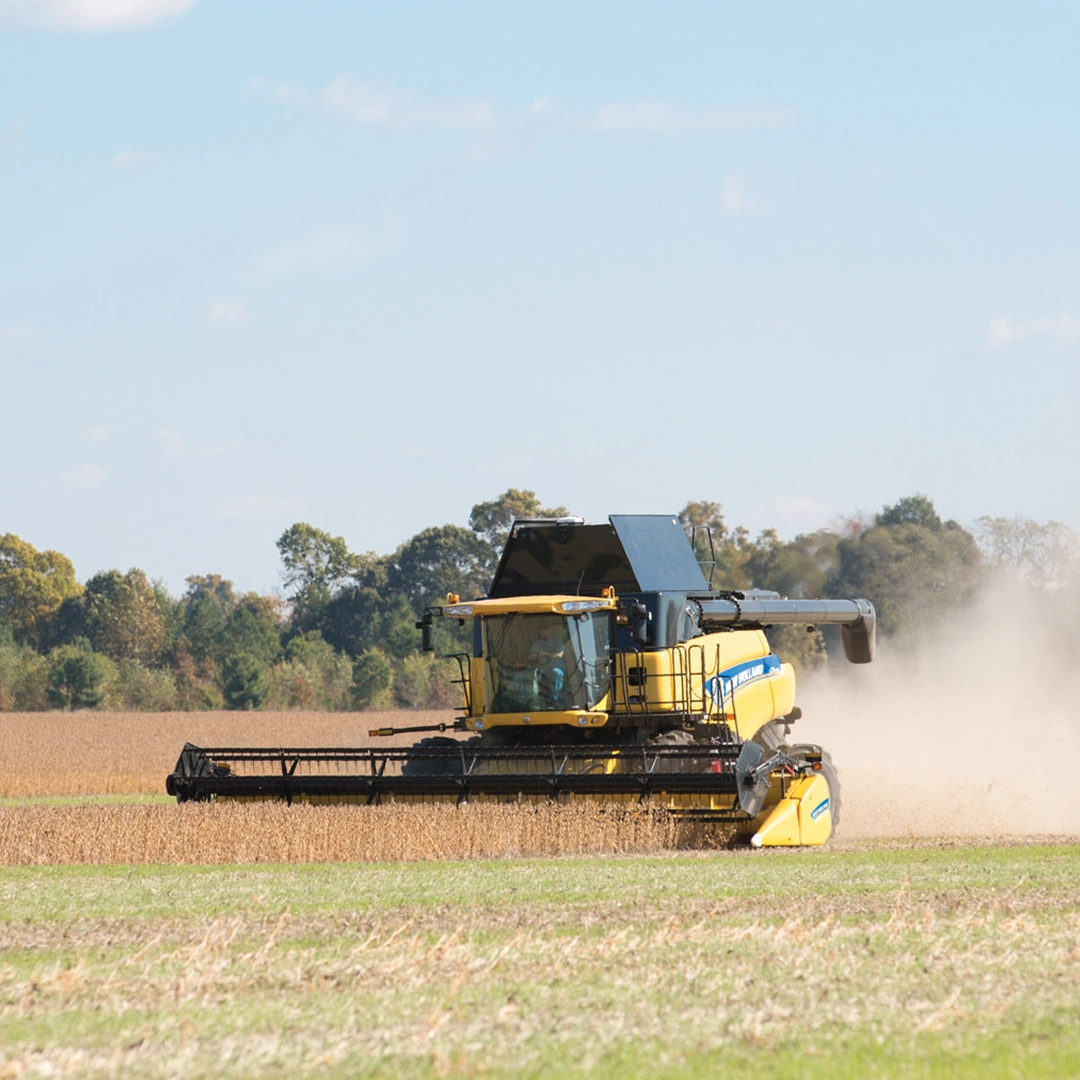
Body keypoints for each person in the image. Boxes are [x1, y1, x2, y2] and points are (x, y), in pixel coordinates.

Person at [527, 624, 565, 703]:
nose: (545, 633)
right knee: (531, 674)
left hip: (555, 667)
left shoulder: (558, 642)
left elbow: (559, 654)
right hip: (541, 669)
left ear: (551, 631)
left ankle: (554, 700)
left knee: (556, 673)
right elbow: (530, 658)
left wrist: (546, 654)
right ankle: (534, 701)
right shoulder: (537, 644)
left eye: (547, 630)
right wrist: (536, 658)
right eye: (543, 630)